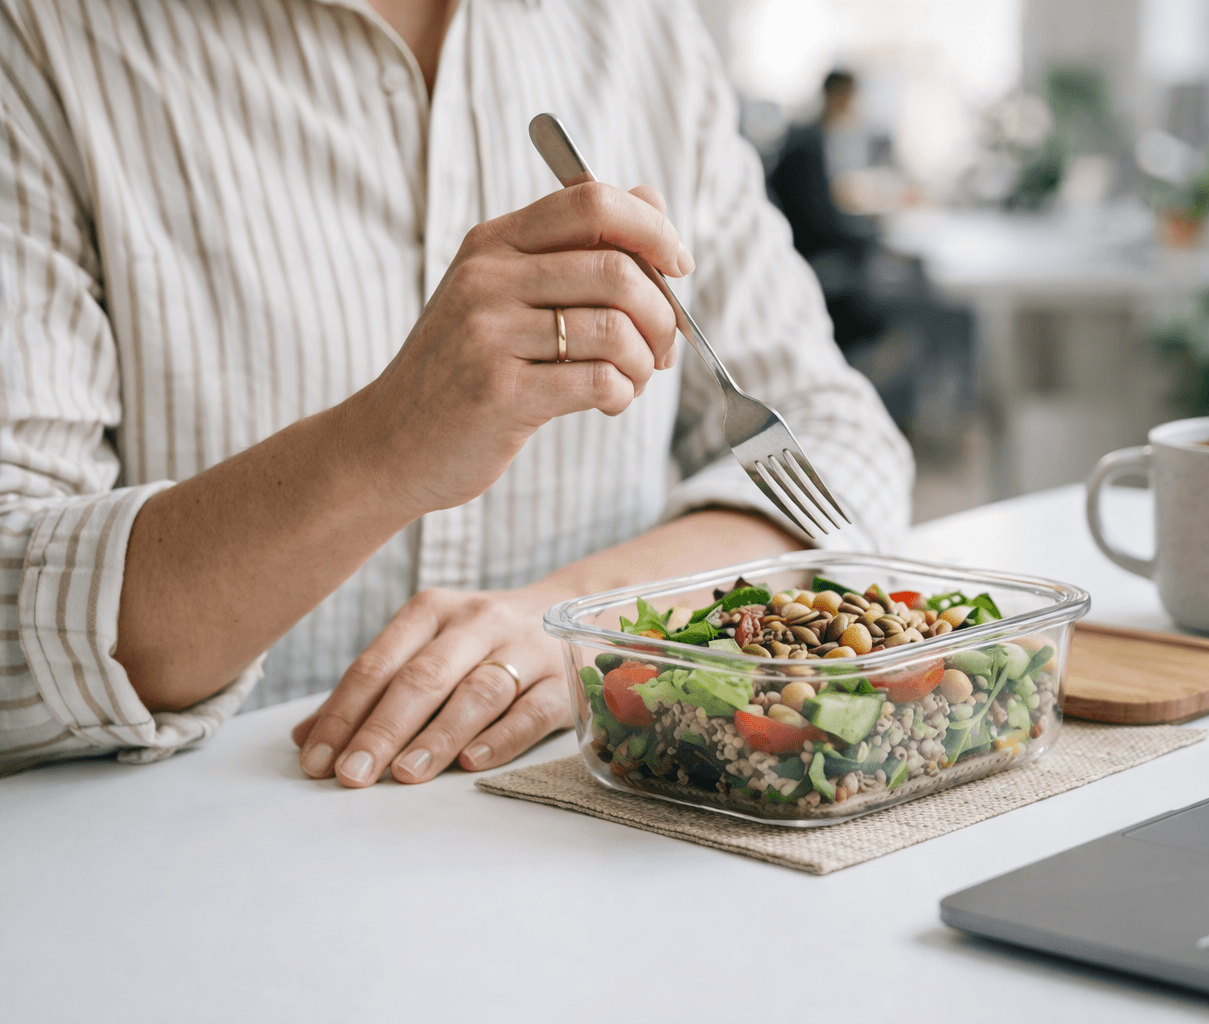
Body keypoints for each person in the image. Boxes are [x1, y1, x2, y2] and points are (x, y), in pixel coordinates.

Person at [0, 0, 913, 784]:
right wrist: (382, 446)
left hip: (598, 846)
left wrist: (591, 625)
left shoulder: (642, 28)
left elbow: (844, 443)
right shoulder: (41, 37)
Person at [766, 69, 887, 348]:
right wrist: (870, 235)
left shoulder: (806, 138)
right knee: (888, 301)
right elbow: (818, 224)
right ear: (840, 97)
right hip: (809, 259)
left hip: (803, 252)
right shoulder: (808, 146)